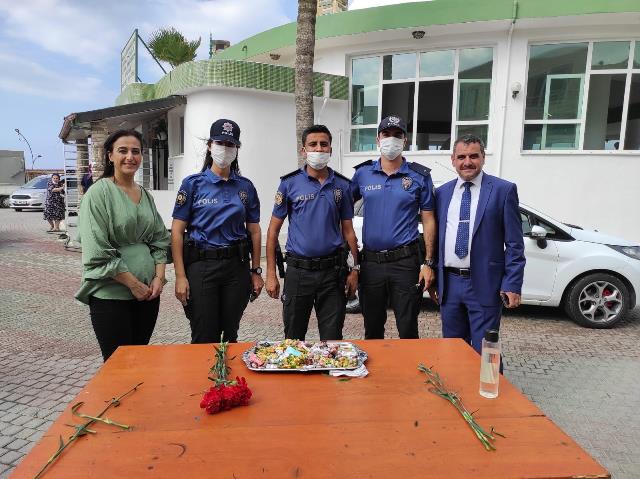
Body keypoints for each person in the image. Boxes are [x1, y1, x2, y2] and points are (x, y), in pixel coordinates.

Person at [75, 129, 171, 361]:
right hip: (111, 295)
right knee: (118, 364)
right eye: (123, 151)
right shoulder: (98, 194)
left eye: (135, 151)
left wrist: (159, 278)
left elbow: (159, 239)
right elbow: (97, 250)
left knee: (139, 360)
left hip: (147, 295)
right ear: (110, 156)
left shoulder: (145, 195)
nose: (130, 156)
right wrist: (133, 284)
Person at [432, 134, 525, 354]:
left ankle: (490, 388)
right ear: (452, 160)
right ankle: (458, 389)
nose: (467, 162)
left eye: (474, 156)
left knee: (486, 350)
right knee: (453, 349)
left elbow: (514, 244)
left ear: (483, 157)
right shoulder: (441, 193)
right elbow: (435, 238)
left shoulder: (503, 190)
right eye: (461, 156)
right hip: (450, 283)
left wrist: (512, 283)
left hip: (485, 284)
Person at [171, 119, 263, 344]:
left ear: (237, 149)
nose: (225, 149)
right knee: (204, 334)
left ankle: (227, 380)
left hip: (236, 267)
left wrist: (256, 271)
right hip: (202, 267)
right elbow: (176, 232)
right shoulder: (193, 184)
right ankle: (203, 380)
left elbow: (254, 231)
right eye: (220, 143)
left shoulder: (245, 187)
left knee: (229, 334)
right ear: (210, 146)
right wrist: (180, 276)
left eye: (231, 145)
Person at [265, 125, 359, 341]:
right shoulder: (289, 184)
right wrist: (271, 273)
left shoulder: (342, 186)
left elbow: (349, 232)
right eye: (313, 144)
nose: (319, 149)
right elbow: (272, 232)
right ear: (303, 150)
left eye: (323, 144)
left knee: (332, 339)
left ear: (331, 149)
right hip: (299, 272)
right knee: (293, 339)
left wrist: (355, 269)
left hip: (333, 273)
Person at [351, 115, 436, 339]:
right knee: (373, 329)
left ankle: (408, 374)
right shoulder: (362, 173)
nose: (391, 139)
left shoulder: (419, 176)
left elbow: (428, 220)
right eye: (386, 134)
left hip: (405, 264)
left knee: (408, 328)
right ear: (378, 139)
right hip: (371, 264)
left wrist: (427, 263)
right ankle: (379, 375)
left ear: (405, 140)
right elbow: (341, 212)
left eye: (397, 135)